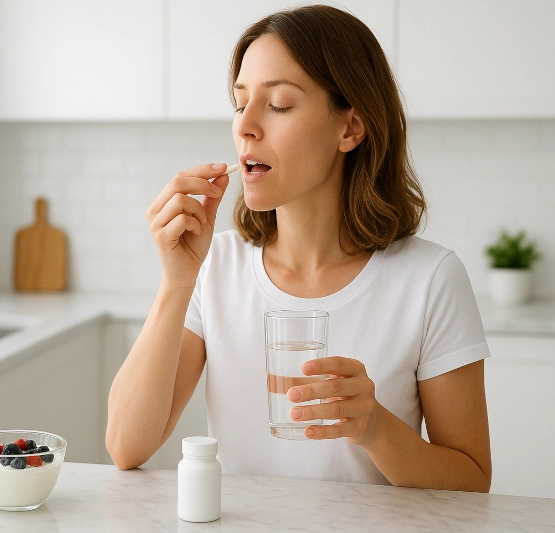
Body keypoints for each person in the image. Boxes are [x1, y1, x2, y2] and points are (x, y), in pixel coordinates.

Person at [107, 4, 491, 492]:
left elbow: (473, 481)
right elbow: (125, 445)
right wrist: (176, 281)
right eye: (239, 102)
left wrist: (375, 427)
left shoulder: (430, 278)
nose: (245, 126)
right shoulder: (216, 266)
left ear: (350, 128)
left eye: (279, 104)